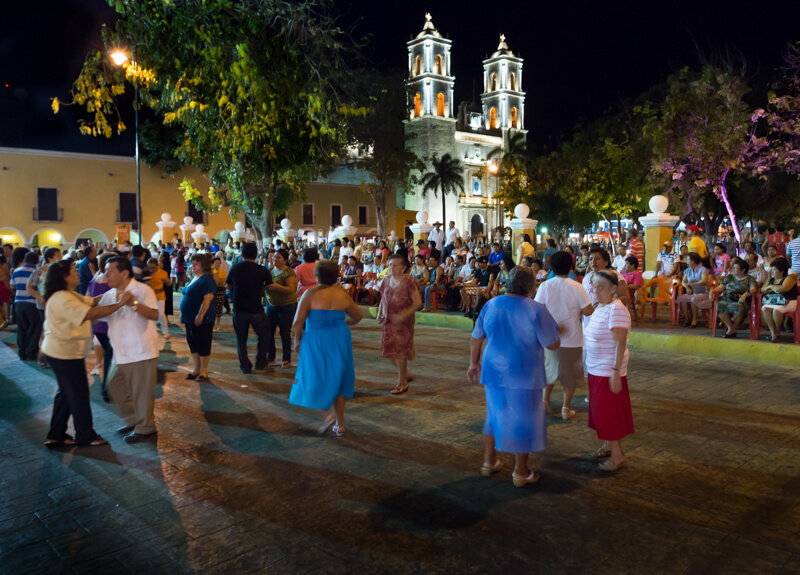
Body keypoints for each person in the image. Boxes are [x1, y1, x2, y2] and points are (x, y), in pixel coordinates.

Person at [468, 266, 560, 487]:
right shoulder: (536, 309)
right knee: (524, 420)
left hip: (493, 370)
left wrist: (473, 363)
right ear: (530, 286)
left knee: (493, 415)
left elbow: (476, 337)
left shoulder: (491, 304)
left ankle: (489, 462)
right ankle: (520, 471)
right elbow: (552, 343)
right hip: (523, 372)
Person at [42, 260, 133, 447]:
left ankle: (56, 434)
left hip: (64, 352)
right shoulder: (61, 298)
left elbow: (91, 301)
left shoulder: (69, 295)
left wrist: (112, 292)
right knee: (79, 394)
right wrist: (120, 302)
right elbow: (90, 312)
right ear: (64, 277)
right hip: (64, 353)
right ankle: (86, 435)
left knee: (66, 393)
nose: (77, 273)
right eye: (73, 271)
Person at [290, 260, 364, 436]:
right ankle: (341, 423)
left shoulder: (309, 294)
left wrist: (296, 341)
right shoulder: (342, 295)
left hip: (316, 338)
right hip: (339, 337)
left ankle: (326, 414)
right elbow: (358, 316)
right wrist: (340, 324)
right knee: (339, 377)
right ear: (336, 276)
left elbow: (297, 322)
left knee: (313, 375)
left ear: (317, 276)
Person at [98, 256, 160, 444]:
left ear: (124, 273)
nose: (105, 275)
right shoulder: (110, 294)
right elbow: (97, 311)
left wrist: (132, 304)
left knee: (142, 393)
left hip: (140, 350)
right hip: (120, 352)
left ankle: (145, 427)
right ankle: (134, 419)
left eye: (110, 271)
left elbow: (154, 314)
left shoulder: (142, 290)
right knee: (114, 386)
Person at [584, 270, 634, 471]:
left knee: (608, 414)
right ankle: (608, 445)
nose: (596, 291)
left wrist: (615, 372)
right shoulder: (601, 307)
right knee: (601, 412)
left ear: (614, 288)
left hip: (607, 370)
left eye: (601, 287)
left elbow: (620, 342)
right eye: (594, 286)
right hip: (596, 368)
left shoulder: (616, 309)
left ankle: (617, 455)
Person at [535, 252, 593, 420]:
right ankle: (565, 407)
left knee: (549, 371)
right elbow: (588, 310)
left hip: (550, 337)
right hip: (573, 338)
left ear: (552, 266)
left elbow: (538, 309)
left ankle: (545, 402)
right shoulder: (576, 286)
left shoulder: (545, 285)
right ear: (570, 266)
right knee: (570, 375)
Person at [377, 254, 422, 394]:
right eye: (390, 264)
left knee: (400, 352)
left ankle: (402, 382)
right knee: (389, 351)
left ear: (403, 268)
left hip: (404, 323)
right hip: (389, 321)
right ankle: (405, 373)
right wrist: (380, 311)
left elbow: (418, 303)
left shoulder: (409, 281)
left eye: (395, 265)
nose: (392, 268)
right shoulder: (386, 279)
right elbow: (383, 297)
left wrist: (403, 315)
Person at [226, 242, 273, 374]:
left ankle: (245, 365)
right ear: (256, 254)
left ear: (242, 253)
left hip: (239, 308)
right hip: (256, 309)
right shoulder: (261, 269)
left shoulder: (235, 268)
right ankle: (261, 362)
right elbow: (270, 285)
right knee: (264, 335)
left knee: (241, 339)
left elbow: (228, 286)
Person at [181, 254, 216, 381]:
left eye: (196, 264)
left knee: (203, 342)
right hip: (189, 318)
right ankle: (196, 369)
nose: (192, 266)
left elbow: (208, 298)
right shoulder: (194, 278)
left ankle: (203, 370)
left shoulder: (207, 279)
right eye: (192, 264)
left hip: (203, 318)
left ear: (203, 266)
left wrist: (200, 315)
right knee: (193, 343)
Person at [88, 251, 117, 402]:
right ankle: (109, 390)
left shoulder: (95, 279)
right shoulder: (109, 281)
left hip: (98, 324)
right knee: (111, 357)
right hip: (107, 322)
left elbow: (88, 298)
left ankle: (107, 387)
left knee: (108, 355)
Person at [266, 249, 298, 368]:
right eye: (274, 257)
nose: (275, 259)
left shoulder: (288, 272)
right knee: (269, 331)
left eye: (278, 257)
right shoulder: (269, 271)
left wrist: (276, 286)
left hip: (287, 305)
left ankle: (286, 359)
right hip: (271, 305)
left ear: (285, 260)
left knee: (284, 332)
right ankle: (271, 354)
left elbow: (291, 289)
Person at [711, 257, 756, 338]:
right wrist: (713, 291)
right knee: (720, 306)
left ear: (743, 270)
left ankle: (732, 328)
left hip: (741, 301)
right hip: (727, 299)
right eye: (733, 268)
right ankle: (731, 328)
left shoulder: (750, 279)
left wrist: (745, 294)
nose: (733, 269)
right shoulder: (729, 277)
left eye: (736, 268)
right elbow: (721, 287)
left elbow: (753, 289)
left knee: (739, 308)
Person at [11, 251, 41, 362]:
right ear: (37, 260)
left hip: (19, 303)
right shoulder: (37, 272)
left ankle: (21, 353)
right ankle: (31, 354)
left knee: (21, 328)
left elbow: (12, 286)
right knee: (34, 329)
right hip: (33, 303)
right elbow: (39, 288)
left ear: (25, 259)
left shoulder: (17, 271)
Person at [760, 257, 797, 343]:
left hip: (790, 301)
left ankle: (777, 331)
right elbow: (762, 289)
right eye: (771, 270)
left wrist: (770, 287)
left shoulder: (789, 278)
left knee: (776, 310)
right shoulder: (771, 279)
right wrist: (773, 287)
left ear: (782, 271)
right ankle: (773, 332)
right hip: (776, 301)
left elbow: (784, 289)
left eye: (774, 270)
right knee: (764, 308)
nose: (771, 272)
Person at [677, 252, 712, 328]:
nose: (686, 260)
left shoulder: (703, 269)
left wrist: (693, 284)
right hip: (692, 292)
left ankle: (694, 319)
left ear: (692, 261)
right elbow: (683, 281)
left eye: (687, 259)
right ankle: (687, 318)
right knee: (683, 298)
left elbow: (704, 280)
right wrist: (687, 287)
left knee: (693, 299)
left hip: (703, 292)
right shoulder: (688, 270)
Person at [147, 257, 171, 340]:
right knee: (150, 314)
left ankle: (166, 332)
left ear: (157, 266)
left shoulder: (163, 273)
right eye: (149, 267)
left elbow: (168, 283)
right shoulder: (146, 272)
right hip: (149, 296)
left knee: (161, 314)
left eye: (153, 267)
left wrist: (168, 281)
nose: (151, 269)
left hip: (160, 296)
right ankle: (153, 328)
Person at [212, 257, 227, 331]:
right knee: (212, 307)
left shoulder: (223, 271)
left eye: (219, 263)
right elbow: (217, 282)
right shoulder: (211, 272)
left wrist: (219, 280)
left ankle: (218, 323)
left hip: (221, 291)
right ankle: (213, 323)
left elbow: (223, 283)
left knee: (219, 307)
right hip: (213, 291)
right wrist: (220, 280)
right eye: (216, 262)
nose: (217, 264)